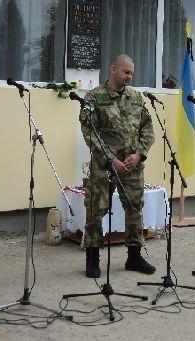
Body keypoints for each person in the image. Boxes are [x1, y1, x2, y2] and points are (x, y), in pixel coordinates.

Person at [79, 54, 156, 278]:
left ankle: (134, 257)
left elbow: (147, 129)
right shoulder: (94, 98)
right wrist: (110, 158)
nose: (129, 77)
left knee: (134, 209)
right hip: (104, 166)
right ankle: (92, 260)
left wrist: (139, 155)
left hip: (132, 166)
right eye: (126, 72)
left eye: (132, 73)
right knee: (96, 209)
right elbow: (90, 133)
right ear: (113, 69)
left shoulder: (136, 98)